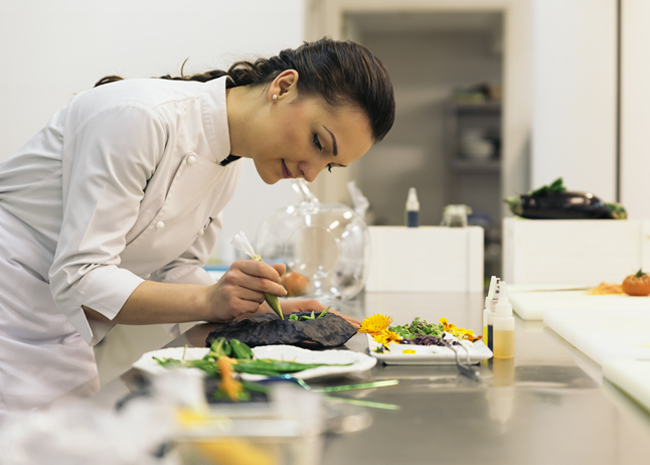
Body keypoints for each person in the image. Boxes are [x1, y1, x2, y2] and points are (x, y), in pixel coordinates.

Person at [0, 38, 395, 414]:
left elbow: (175, 272)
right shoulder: (139, 117)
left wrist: (260, 310)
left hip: (57, 334)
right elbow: (80, 276)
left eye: (328, 165)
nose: (310, 174)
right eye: (317, 141)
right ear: (284, 86)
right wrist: (211, 301)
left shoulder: (227, 165)